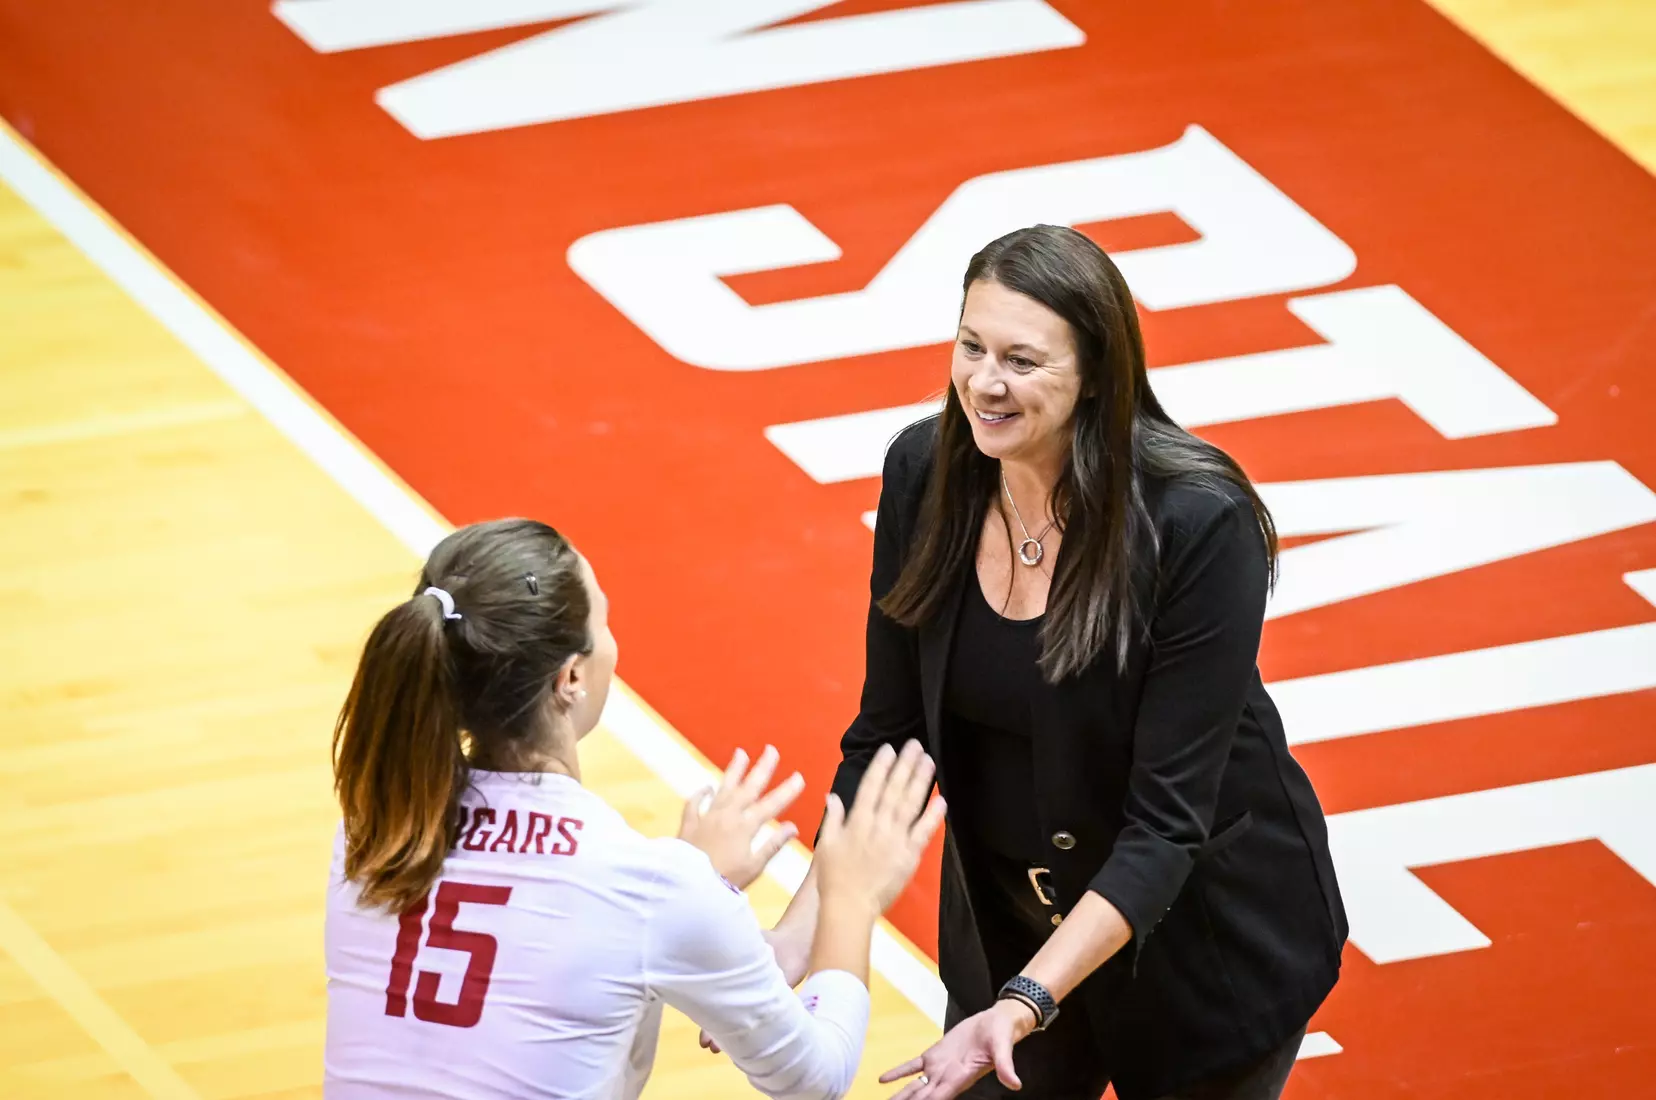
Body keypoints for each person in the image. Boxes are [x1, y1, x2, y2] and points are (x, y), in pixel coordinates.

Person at [766, 226, 1348, 1100]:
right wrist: (802, 928)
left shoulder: (1197, 523)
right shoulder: (925, 473)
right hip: (1010, 925)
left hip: (1199, 947)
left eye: (1022, 360)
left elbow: (1166, 827)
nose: (984, 382)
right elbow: (890, 739)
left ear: (1097, 375)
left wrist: (1026, 1001)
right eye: (971, 346)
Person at [322, 517, 946, 1099]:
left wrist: (699, 885)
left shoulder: (375, 836)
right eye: (605, 622)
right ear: (571, 678)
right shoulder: (648, 886)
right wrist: (849, 903)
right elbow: (816, 1076)